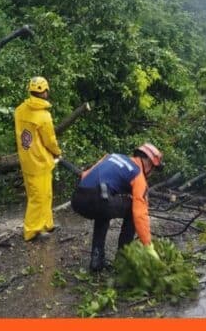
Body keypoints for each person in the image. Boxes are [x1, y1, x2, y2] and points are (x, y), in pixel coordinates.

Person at [71, 143, 164, 271]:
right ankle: (122, 261)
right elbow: (140, 215)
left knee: (104, 209)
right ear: (148, 162)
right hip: (98, 200)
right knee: (131, 209)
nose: (152, 173)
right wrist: (148, 246)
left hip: (77, 199)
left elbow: (85, 175)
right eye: (153, 168)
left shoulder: (111, 156)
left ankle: (96, 260)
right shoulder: (138, 176)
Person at [14, 76, 62, 241]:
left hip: (26, 159)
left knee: (44, 194)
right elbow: (50, 141)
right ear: (45, 92)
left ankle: (46, 224)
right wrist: (57, 152)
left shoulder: (20, 110)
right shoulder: (44, 116)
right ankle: (32, 230)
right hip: (40, 161)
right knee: (38, 197)